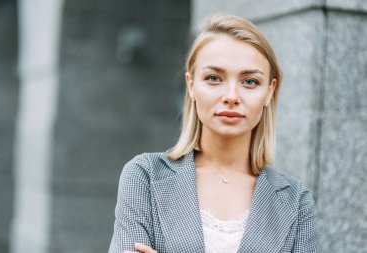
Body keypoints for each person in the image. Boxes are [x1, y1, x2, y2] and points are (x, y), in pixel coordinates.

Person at [108, 13, 319, 253]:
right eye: (214, 78)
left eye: (250, 82)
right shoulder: (145, 176)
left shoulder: (296, 201)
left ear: (270, 91)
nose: (231, 96)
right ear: (191, 85)